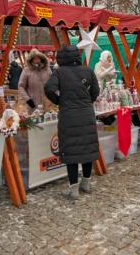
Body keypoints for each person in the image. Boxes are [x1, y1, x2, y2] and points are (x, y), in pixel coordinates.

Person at [44, 45, 100, 200]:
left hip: (68, 115)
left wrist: (59, 101)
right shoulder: (87, 70)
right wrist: (87, 101)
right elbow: (96, 90)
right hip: (86, 113)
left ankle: (73, 188)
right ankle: (86, 183)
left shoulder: (60, 72)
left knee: (71, 151)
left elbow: (49, 88)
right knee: (87, 149)